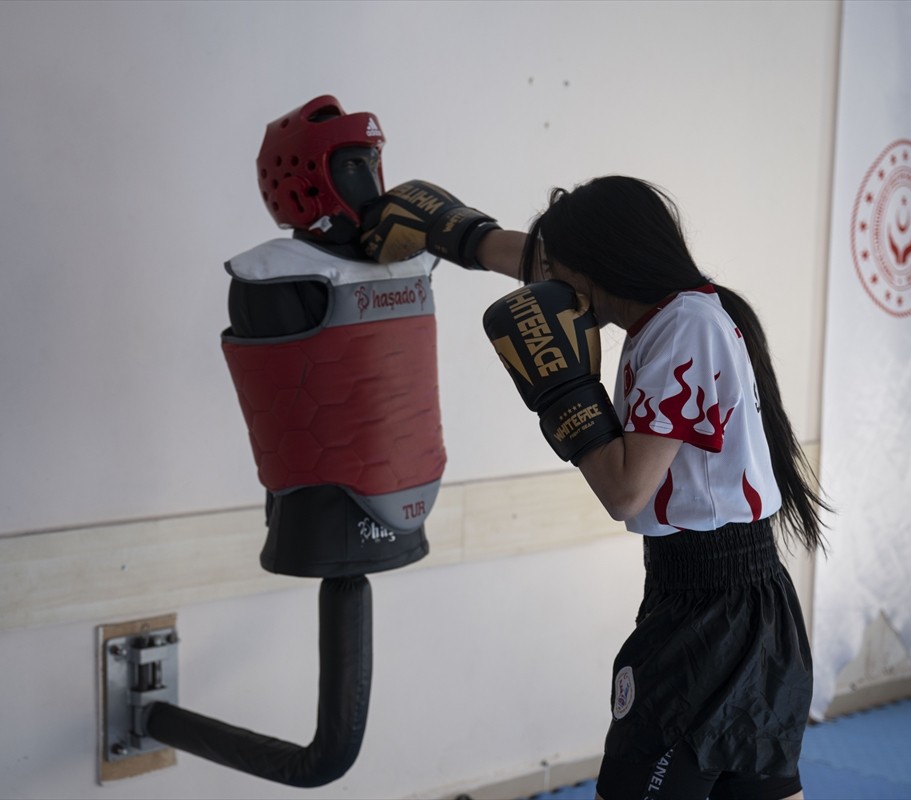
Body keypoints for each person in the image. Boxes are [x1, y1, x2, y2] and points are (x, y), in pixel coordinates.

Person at [362, 177, 830, 800]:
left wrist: (564, 395)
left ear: (602, 262)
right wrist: (454, 234)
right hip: (739, 602)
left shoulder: (685, 328)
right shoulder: (683, 310)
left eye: (559, 267)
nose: (548, 284)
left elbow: (626, 492)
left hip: (709, 616)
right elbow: (529, 258)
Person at [220, 97, 448, 579]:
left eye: (372, 163)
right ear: (301, 181)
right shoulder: (275, 276)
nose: (369, 183)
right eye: (350, 166)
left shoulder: (414, 260)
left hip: (408, 479)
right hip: (320, 511)